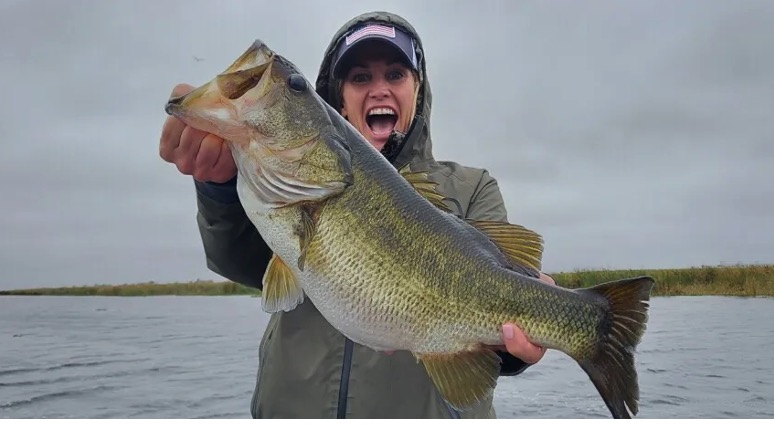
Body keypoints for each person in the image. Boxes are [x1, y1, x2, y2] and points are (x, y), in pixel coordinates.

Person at [159, 11, 556, 419]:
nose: (379, 89)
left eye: (396, 75)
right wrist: (219, 187)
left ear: (418, 89)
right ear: (340, 99)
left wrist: (516, 347)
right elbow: (241, 263)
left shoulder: (472, 187)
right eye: (360, 78)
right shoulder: (273, 186)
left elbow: (504, 309)